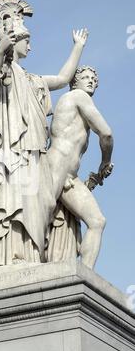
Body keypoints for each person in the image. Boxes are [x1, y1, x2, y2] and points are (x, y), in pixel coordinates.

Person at [0, 0, 88, 272]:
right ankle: (5, 257)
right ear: (14, 41)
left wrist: (78, 48)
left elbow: (62, 79)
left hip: (34, 152)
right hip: (7, 154)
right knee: (10, 201)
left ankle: (30, 255)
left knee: (32, 205)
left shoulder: (32, 80)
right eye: (27, 40)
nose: (31, 45)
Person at [47, 66, 113, 269]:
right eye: (85, 77)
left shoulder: (76, 103)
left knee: (97, 221)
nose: (91, 81)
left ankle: (84, 277)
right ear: (74, 82)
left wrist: (96, 177)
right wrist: (105, 161)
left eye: (94, 78)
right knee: (40, 221)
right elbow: (106, 134)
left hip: (70, 175)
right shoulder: (78, 96)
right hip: (55, 166)